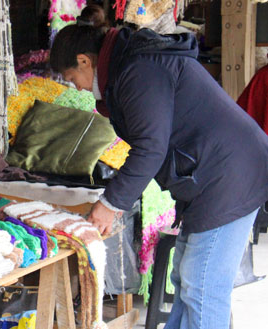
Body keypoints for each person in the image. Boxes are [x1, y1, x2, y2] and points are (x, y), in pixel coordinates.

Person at [49, 16, 268, 329]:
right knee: (185, 276)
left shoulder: (139, 70)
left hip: (231, 175)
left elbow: (150, 148)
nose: (79, 89)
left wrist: (110, 205)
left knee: (203, 285)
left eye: (73, 78)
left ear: (84, 61)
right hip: (213, 176)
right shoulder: (130, 67)